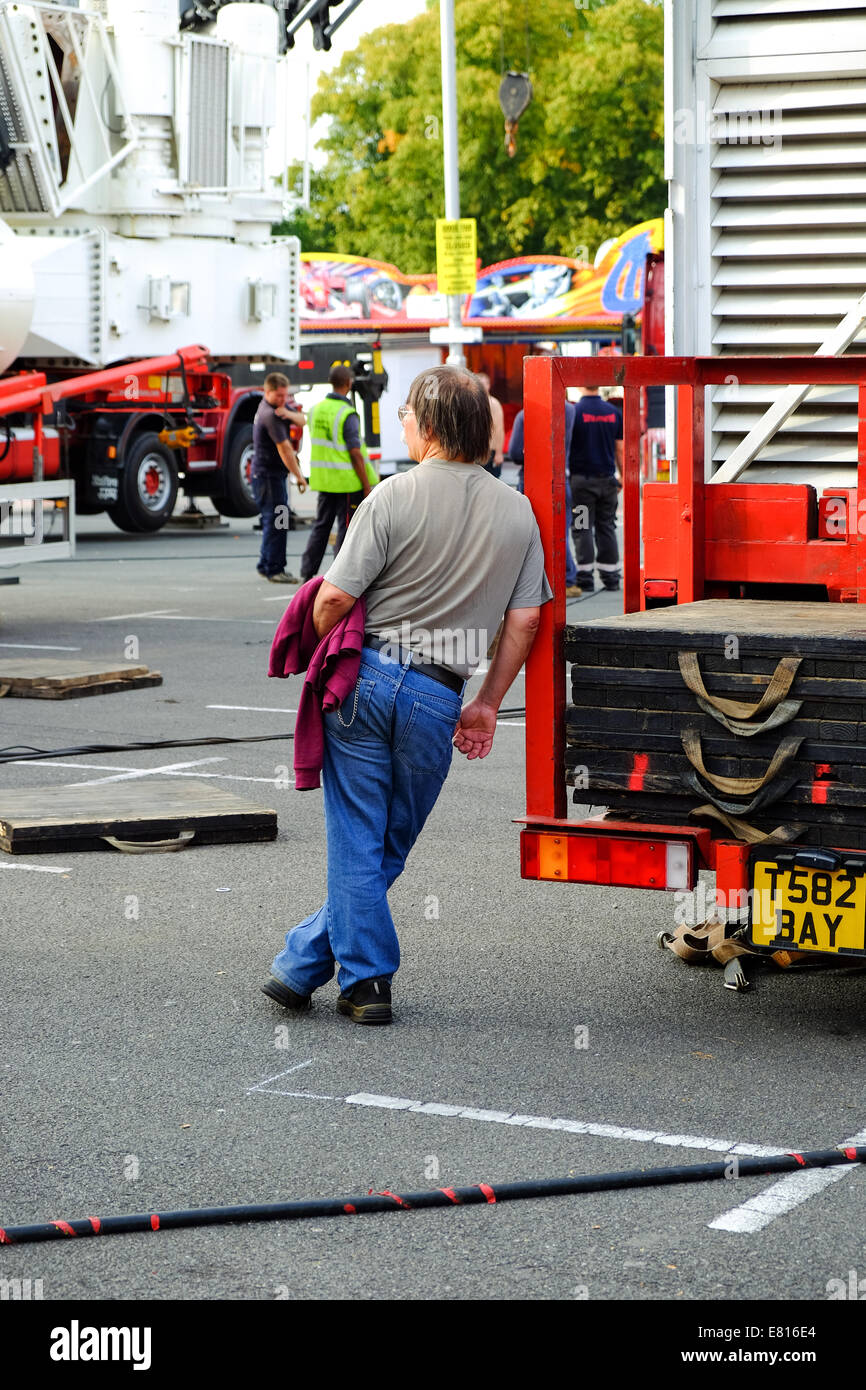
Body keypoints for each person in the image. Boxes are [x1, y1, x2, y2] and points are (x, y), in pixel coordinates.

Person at [262, 366, 552, 1025]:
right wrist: (485, 701)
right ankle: (303, 966)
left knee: (361, 838)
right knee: (388, 840)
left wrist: (310, 649)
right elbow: (527, 620)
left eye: (404, 418)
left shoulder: (391, 496)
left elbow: (334, 596)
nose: (401, 427)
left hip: (366, 682)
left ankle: (360, 981)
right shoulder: (518, 512)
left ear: (428, 425)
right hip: (439, 695)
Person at [299, 365, 377, 582]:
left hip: (324, 481)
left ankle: (307, 571)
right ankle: (341, 576)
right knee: (346, 530)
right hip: (346, 483)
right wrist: (367, 484)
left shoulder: (316, 409)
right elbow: (355, 453)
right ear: (349, 383)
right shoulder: (347, 413)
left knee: (321, 527)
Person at [507, 401, 582, 597]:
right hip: (560, 478)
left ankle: (536, 582)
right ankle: (567, 578)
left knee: (531, 532)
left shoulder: (524, 415)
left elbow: (515, 452)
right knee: (561, 530)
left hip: (532, 480)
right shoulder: (570, 410)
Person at [251, 372, 307, 584]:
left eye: (285, 395)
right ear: (267, 391)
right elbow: (285, 450)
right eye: (279, 396)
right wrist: (299, 477)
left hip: (269, 477)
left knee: (273, 521)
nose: (283, 400)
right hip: (269, 478)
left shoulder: (276, 408)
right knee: (278, 522)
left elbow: (302, 420)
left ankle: (266, 564)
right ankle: (275, 568)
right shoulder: (270, 416)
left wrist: (289, 413)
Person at [569, 384, 623, 592]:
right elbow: (620, 448)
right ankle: (611, 578)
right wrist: (622, 476)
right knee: (606, 526)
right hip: (608, 482)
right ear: (598, 386)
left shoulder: (574, 412)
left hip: (582, 484)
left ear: (580, 386)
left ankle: (585, 578)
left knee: (582, 527)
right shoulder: (612, 412)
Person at [477, 371, 504, 477]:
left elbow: (499, 429)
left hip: (489, 451)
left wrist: (499, 453)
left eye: (484, 384)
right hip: (475, 451)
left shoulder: (494, 403)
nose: (482, 387)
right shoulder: (472, 402)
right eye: (480, 384)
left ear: (488, 385)